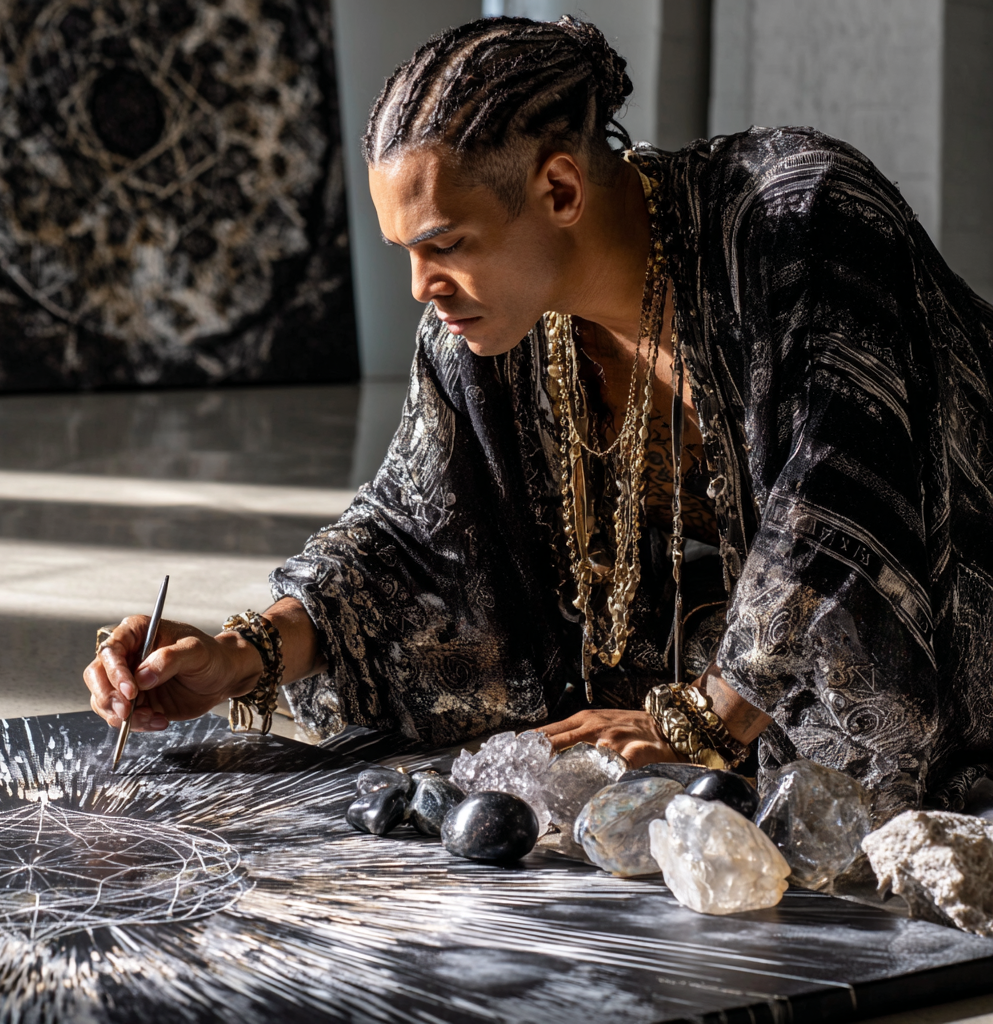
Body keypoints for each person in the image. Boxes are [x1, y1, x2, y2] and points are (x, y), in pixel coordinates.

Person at [84, 16, 993, 821]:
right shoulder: (485, 332)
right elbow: (410, 538)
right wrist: (246, 654)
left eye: (446, 245)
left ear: (560, 190)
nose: (420, 286)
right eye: (406, 250)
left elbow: (843, 511)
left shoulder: (799, 221)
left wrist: (705, 716)